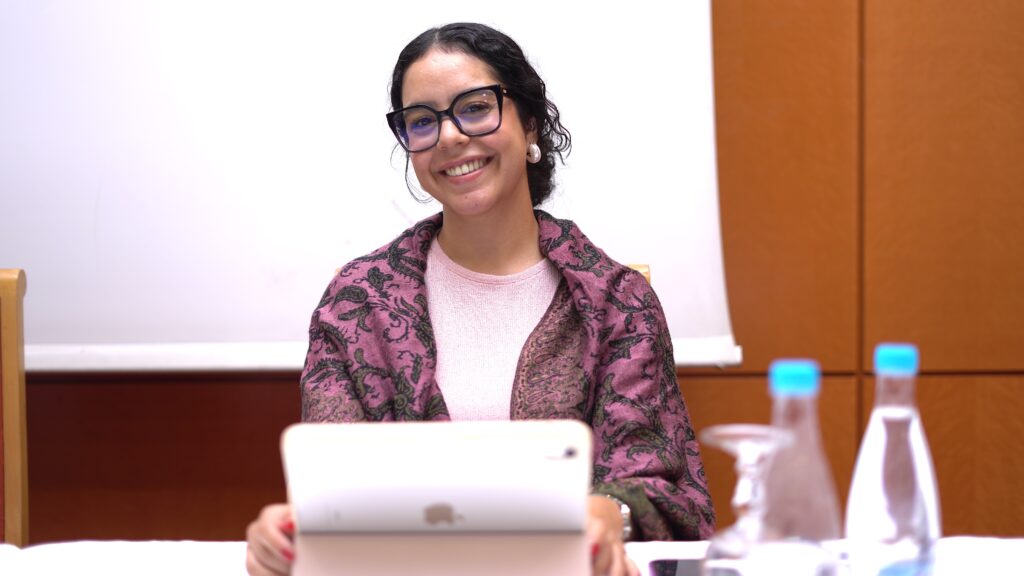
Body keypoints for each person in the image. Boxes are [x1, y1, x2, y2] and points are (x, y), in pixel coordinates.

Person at [246, 22, 714, 576]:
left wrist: (611, 513)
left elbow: (657, 482)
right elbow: (330, 487)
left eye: (474, 108)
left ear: (530, 121)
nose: (448, 137)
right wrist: (288, 532)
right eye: (422, 121)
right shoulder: (357, 302)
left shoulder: (615, 300)